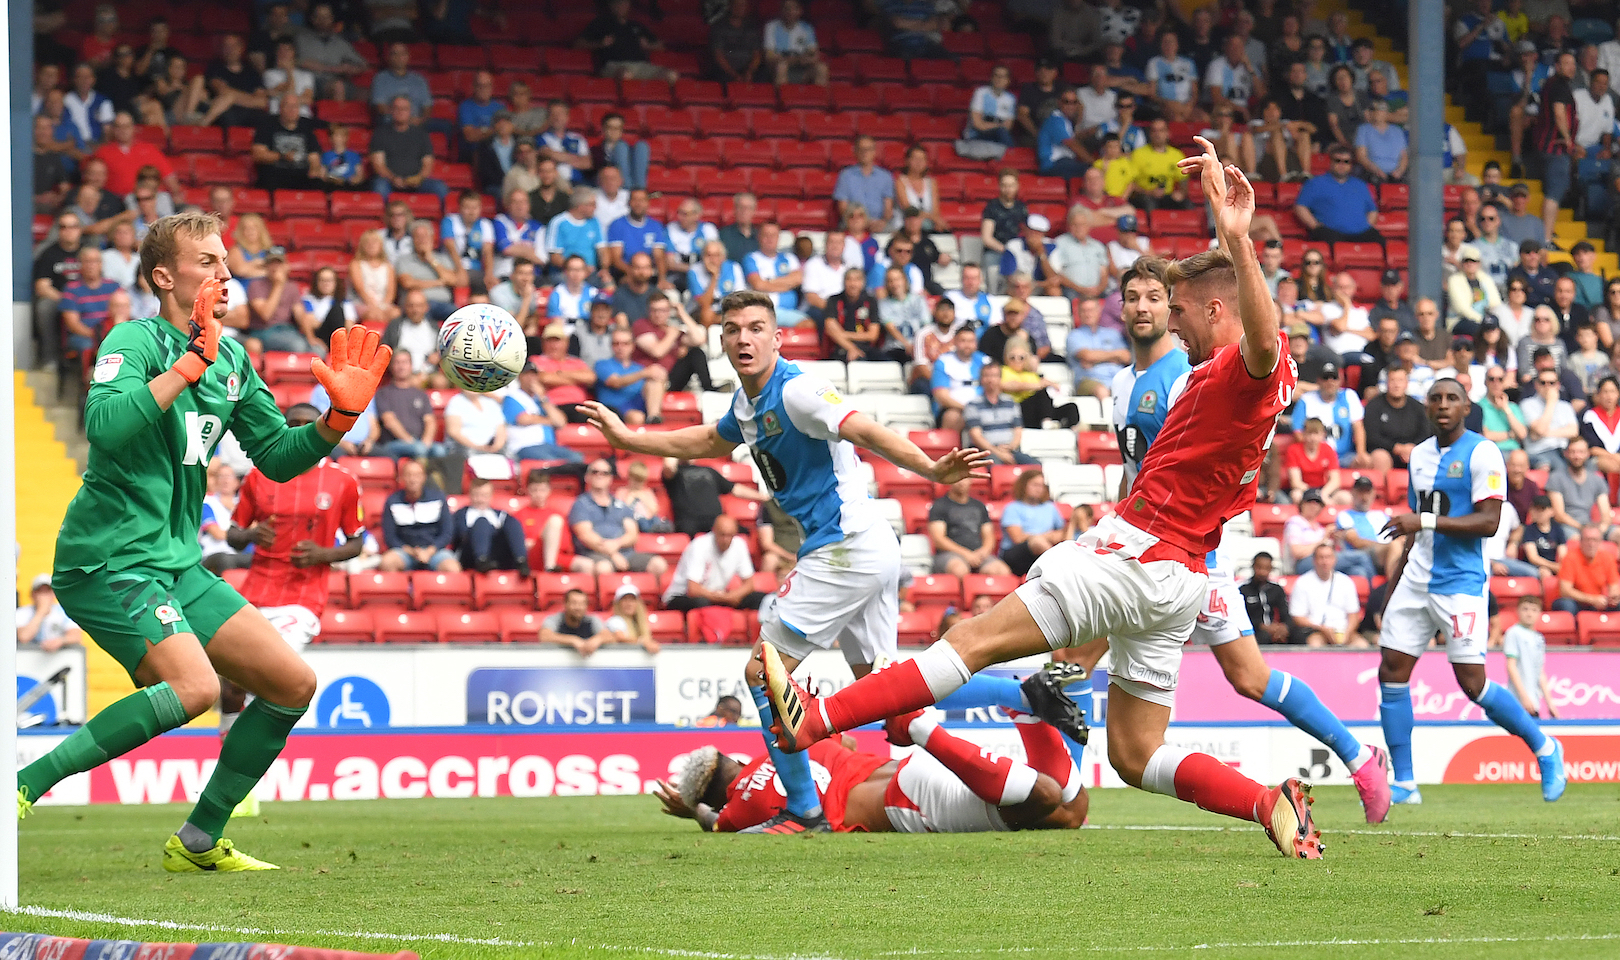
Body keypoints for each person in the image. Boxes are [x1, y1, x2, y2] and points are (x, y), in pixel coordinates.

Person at [762, 142, 1355, 859]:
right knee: (1135, 754)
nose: (1173, 325)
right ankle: (1267, 801)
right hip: (1181, 581)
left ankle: (814, 720)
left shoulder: (1244, 368)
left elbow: (1258, 336)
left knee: (971, 642)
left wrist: (1238, 238)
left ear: (1216, 308)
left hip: (1134, 556)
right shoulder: (1233, 374)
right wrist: (1222, 242)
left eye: (1181, 312)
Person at [18, 211, 391, 870]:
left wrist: (338, 419)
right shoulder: (133, 340)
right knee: (196, 689)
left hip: (177, 565)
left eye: (225, 260)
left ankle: (198, 840)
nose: (226, 272)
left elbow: (276, 456)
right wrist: (191, 362)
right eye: (208, 262)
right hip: (107, 559)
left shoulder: (234, 359)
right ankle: (20, 784)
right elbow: (104, 428)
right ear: (165, 277)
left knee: (292, 683)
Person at [580, 288, 987, 835]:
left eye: (755, 329)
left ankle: (804, 809)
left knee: (761, 673)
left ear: (776, 338)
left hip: (843, 547)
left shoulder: (797, 391)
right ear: (721, 341)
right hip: (865, 544)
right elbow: (709, 440)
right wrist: (631, 439)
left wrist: (931, 470)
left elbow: (863, 428)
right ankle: (1023, 699)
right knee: (888, 693)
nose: (743, 339)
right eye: (732, 330)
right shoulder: (747, 403)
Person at [1377, 378, 1566, 807]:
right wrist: (1393, 587)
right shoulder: (1419, 455)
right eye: (1436, 399)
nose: (1443, 405)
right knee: (1391, 671)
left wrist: (1422, 522)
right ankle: (1404, 782)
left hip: (1460, 583)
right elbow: (1414, 528)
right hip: (1416, 578)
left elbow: (1489, 523)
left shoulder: (1484, 453)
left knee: (1473, 684)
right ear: (1427, 408)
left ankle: (1545, 747)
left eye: (1452, 399)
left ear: (1466, 408)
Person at [659, 706, 1088, 834]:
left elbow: (716, 824)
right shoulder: (787, 753)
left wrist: (693, 811)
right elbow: (845, 743)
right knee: (1070, 813)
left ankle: (921, 728)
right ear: (735, 760)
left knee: (1046, 797)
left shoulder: (740, 810)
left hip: (906, 804)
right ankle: (1027, 710)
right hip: (910, 769)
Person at [568, 459, 669, 576]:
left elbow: (632, 534)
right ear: (587, 477)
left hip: (625, 552)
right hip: (595, 553)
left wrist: (617, 544)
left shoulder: (620, 504)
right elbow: (586, 535)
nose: (600, 475)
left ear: (611, 478)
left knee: (658, 564)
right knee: (603, 568)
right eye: (595, 472)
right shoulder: (581, 504)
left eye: (605, 473)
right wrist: (613, 554)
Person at [662, 515, 766, 614]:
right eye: (722, 535)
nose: (726, 540)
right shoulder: (699, 545)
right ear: (714, 531)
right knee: (702, 602)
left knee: (760, 598)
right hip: (683, 596)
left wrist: (733, 595)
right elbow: (693, 590)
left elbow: (749, 585)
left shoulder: (739, 545)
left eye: (730, 535)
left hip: (718, 595)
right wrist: (724, 598)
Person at [378, 458, 461, 573]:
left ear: (424, 477)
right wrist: (412, 552)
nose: (413, 479)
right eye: (409, 475)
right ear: (401, 478)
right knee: (387, 563)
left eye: (417, 475)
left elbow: (447, 533)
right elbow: (390, 537)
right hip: (405, 552)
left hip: (434, 551)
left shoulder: (438, 498)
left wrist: (429, 552)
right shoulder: (392, 501)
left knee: (452, 568)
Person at [1293, 145, 1382, 244]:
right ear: (1331, 162)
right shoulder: (1315, 183)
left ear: (1351, 164)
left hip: (1361, 234)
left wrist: (1366, 227)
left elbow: (1372, 210)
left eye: (1346, 161)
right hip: (1330, 233)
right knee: (1325, 236)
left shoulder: (1360, 185)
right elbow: (1300, 206)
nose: (1342, 165)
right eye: (1337, 161)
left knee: (1379, 240)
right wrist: (1316, 226)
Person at [927, 477, 1011, 578]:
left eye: (965, 479)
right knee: (959, 569)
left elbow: (989, 536)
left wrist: (983, 552)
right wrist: (966, 554)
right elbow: (939, 540)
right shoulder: (939, 506)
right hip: (949, 554)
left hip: (978, 554)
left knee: (1002, 571)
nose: (962, 482)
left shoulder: (979, 506)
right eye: (958, 478)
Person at [369, 95, 446, 202]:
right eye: (397, 108)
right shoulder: (380, 134)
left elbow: (428, 163)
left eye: (404, 109)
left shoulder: (421, 134)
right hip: (389, 181)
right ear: (391, 110)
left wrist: (419, 178)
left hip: (417, 182)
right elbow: (378, 165)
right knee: (379, 186)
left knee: (439, 187)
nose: (400, 112)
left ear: (410, 111)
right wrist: (393, 178)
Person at [634, 292, 713, 394]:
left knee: (696, 353)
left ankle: (709, 390)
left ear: (668, 311)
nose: (658, 314)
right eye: (654, 310)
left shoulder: (671, 329)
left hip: (672, 377)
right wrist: (672, 335)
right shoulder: (641, 325)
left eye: (663, 310)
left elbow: (699, 339)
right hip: (650, 380)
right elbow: (657, 352)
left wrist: (683, 314)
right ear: (648, 311)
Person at [503, 364, 584, 463]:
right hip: (524, 445)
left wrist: (543, 397)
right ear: (520, 377)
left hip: (549, 445)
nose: (531, 378)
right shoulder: (513, 397)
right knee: (553, 462)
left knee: (577, 458)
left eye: (534, 375)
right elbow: (523, 419)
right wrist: (550, 421)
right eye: (527, 375)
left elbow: (561, 422)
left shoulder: (542, 400)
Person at [1289, 542, 1364, 646]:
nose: (1325, 562)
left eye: (1328, 557)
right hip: (1316, 630)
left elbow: (1353, 615)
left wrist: (1347, 634)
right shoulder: (1302, 583)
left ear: (1334, 559)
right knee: (1315, 644)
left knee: (1361, 644)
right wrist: (1323, 629)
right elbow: (1298, 617)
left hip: (1343, 631)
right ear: (1314, 560)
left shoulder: (1346, 582)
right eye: (1321, 558)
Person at [451, 478, 529, 575]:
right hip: (471, 554)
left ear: (491, 496)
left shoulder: (501, 515)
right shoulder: (461, 515)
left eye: (484, 495)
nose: (480, 500)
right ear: (470, 495)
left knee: (512, 523)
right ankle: (482, 560)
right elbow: (458, 538)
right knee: (481, 522)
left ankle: (521, 561)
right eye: (476, 495)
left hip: (499, 554)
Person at [373, 352, 443, 458]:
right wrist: (410, 441)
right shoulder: (383, 393)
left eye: (405, 362)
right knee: (419, 449)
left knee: (440, 450)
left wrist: (426, 441)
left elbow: (430, 421)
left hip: (420, 442)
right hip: (393, 443)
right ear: (391, 366)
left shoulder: (421, 394)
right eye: (397, 362)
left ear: (411, 366)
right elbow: (389, 421)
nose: (401, 366)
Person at [997, 470, 1065, 577]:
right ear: (1024, 485)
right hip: (1016, 554)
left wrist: (1042, 537)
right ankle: (1061, 567)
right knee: (1037, 542)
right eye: (1035, 485)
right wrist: (1046, 536)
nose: (1039, 489)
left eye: (1042, 486)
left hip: (1041, 553)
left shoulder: (1050, 508)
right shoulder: (1012, 508)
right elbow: (1018, 538)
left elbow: (1061, 533)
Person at [1365, 367, 1435, 470]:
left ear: (1407, 383)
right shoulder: (1374, 406)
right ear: (1387, 383)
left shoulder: (1418, 407)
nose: (1396, 385)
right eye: (1392, 380)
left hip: (1413, 450)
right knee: (1380, 457)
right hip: (1385, 450)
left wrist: (1413, 447)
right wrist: (1396, 448)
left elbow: (1426, 433)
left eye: (1400, 380)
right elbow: (1372, 436)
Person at [595, 327, 668, 426]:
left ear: (632, 346)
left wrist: (660, 375)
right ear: (611, 346)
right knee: (637, 417)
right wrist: (644, 373)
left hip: (639, 405)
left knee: (655, 380)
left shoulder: (639, 368)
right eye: (616, 344)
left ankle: (654, 417)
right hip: (614, 409)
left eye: (625, 344)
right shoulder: (602, 364)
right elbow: (615, 382)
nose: (620, 347)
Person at [1504, 595, 1558, 718]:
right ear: (1517, 611)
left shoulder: (1539, 638)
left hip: (1534, 702)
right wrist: (1524, 697)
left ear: (1539, 613)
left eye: (1534, 610)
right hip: (1518, 700)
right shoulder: (1513, 633)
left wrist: (1550, 703)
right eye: (1525, 609)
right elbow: (1511, 666)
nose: (1529, 614)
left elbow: (1540, 672)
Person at [1240, 552, 1311, 645]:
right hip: (1255, 630)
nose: (1262, 572)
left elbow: (1285, 613)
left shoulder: (1276, 589)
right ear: (1253, 567)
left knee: (1298, 635)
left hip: (1275, 629)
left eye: (1266, 568)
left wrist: (1284, 627)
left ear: (1271, 569)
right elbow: (1242, 617)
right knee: (1263, 637)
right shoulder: (1244, 590)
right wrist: (1261, 626)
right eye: (1259, 568)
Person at [1065, 297, 1129, 396]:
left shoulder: (1113, 334)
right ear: (1078, 313)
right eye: (1084, 311)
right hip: (1088, 380)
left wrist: (1096, 359)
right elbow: (1088, 356)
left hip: (1117, 380)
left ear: (1099, 311)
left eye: (1091, 310)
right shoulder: (1074, 335)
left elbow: (1126, 357)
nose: (1088, 314)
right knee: (1101, 391)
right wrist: (1115, 356)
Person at [1521, 367, 1580, 469]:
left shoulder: (1565, 406)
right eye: (1543, 383)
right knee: (1560, 469)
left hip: (1564, 451)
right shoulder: (1527, 404)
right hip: (1539, 452)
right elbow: (1540, 430)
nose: (1547, 386)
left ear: (1558, 385)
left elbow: (1574, 432)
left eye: (1551, 383)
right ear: (1536, 385)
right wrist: (1551, 402)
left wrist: (1545, 433)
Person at [1557, 523, 1620, 612]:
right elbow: (1565, 591)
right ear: (1581, 541)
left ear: (1600, 542)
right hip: (1577, 602)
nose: (1591, 544)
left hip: (1598, 601)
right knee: (1566, 604)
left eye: (1595, 540)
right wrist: (1592, 600)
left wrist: (1613, 598)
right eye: (1587, 540)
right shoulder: (1570, 558)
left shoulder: (1607, 558)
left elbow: (1614, 586)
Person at [763, 0, 828, 86]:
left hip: (801, 67)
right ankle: (784, 94)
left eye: (795, 8)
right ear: (781, 10)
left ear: (800, 11)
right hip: (779, 66)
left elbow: (813, 54)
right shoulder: (771, 27)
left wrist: (804, 59)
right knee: (782, 67)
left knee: (822, 68)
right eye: (787, 8)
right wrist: (795, 60)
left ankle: (817, 95)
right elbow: (769, 56)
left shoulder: (807, 28)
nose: (791, 12)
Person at [834, 136, 895, 225]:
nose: (865, 153)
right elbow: (843, 209)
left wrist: (882, 222)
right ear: (855, 152)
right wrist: (860, 223)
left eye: (868, 149)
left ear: (874, 152)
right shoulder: (845, 176)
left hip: (879, 224)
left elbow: (888, 209)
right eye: (861, 149)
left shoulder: (886, 176)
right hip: (852, 223)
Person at [17, 574, 82, 652]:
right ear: (33, 594)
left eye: (47, 591)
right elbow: (23, 637)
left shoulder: (64, 612)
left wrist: (60, 641)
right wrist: (41, 612)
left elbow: (76, 636)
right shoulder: (22, 613)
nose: (44, 596)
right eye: (40, 592)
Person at [538, 588, 614, 655]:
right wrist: (573, 640)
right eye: (574, 603)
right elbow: (544, 636)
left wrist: (597, 640)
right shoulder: (555, 619)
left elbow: (609, 636)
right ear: (565, 604)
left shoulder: (592, 620)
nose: (578, 607)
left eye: (582, 604)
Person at [1283, 419, 1341, 504]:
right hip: (1303, 490)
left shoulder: (1328, 449)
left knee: (1344, 497)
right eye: (1309, 433)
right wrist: (1313, 494)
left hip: (1323, 489)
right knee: (1296, 495)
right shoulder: (1293, 450)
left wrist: (1323, 493)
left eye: (1316, 433)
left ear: (1323, 435)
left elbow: (1335, 480)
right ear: (1303, 434)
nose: (1313, 438)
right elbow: (1295, 482)